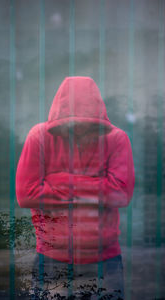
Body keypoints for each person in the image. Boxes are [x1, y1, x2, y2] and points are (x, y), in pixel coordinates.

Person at [16, 76, 135, 299]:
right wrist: (97, 189)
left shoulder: (118, 139)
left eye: (86, 124)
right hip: (52, 258)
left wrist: (59, 182)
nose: (79, 130)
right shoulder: (39, 136)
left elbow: (120, 194)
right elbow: (26, 194)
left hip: (104, 259)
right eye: (72, 123)